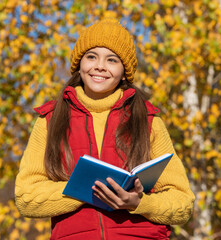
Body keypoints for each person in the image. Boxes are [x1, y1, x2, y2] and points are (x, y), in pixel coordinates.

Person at [15, 18, 195, 239]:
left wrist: (140, 203)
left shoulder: (147, 120)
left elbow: (183, 203)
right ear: (79, 63)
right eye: (91, 56)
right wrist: (87, 190)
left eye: (112, 60)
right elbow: (26, 198)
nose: (100, 66)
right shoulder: (51, 120)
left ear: (124, 71)